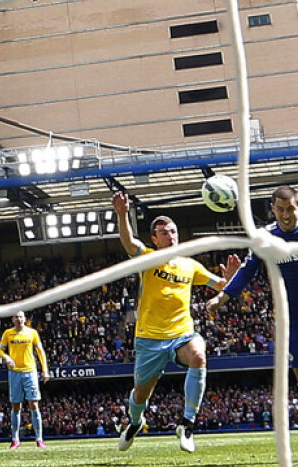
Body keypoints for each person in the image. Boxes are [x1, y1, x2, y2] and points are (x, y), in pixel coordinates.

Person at [112, 191, 238, 453]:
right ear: (155, 239)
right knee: (140, 394)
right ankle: (135, 423)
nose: (171, 235)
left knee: (199, 357)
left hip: (182, 333)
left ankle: (187, 424)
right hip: (149, 339)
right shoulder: (148, 258)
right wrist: (122, 214)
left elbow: (222, 286)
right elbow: (127, 242)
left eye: (173, 230)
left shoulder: (190, 266)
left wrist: (231, 277)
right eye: (164, 232)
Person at [207, 185, 298, 380]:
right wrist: (222, 297)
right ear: (273, 209)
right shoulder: (265, 237)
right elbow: (248, 270)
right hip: (291, 318)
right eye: (280, 209)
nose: (286, 215)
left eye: (290, 208)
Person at [0, 310, 50, 449]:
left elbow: (40, 352)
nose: (19, 319)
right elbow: (0, 351)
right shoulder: (8, 333)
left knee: (34, 404)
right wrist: (7, 357)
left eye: (21, 316)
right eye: (16, 317)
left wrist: (45, 370)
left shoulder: (32, 333)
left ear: (25, 318)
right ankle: (15, 439)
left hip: (30, 371)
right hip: (14, 373)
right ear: (13, 319)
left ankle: (39, 439)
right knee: (16, 406)